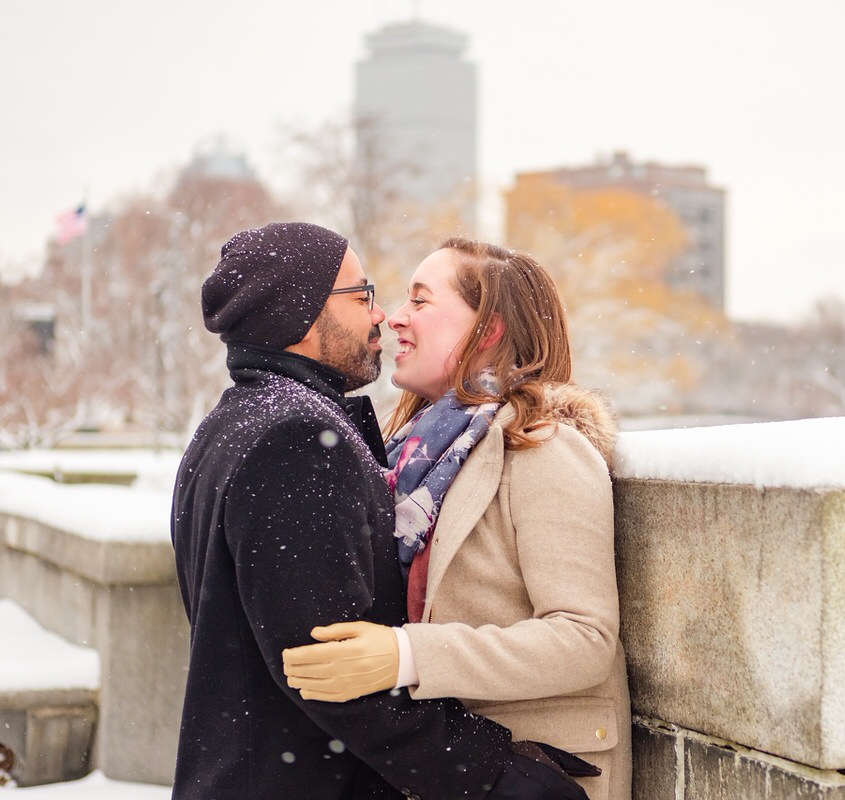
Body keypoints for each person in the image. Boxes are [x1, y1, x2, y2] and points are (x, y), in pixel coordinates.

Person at [171, 223, 588, 800]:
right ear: (302, 314)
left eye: (412, 300)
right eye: (362, 295)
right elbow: (327, 661)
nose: (382, 316)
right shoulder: (297, 436)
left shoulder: (232, 424)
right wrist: (493, 774)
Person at [282, 238, 632, 800]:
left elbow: (584, 638)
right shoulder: (413, 455)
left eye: (420, 301)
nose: (395, 318)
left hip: (532, 775)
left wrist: (407, 655)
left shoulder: (543, 450)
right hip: (447, 771)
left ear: (486, 330)